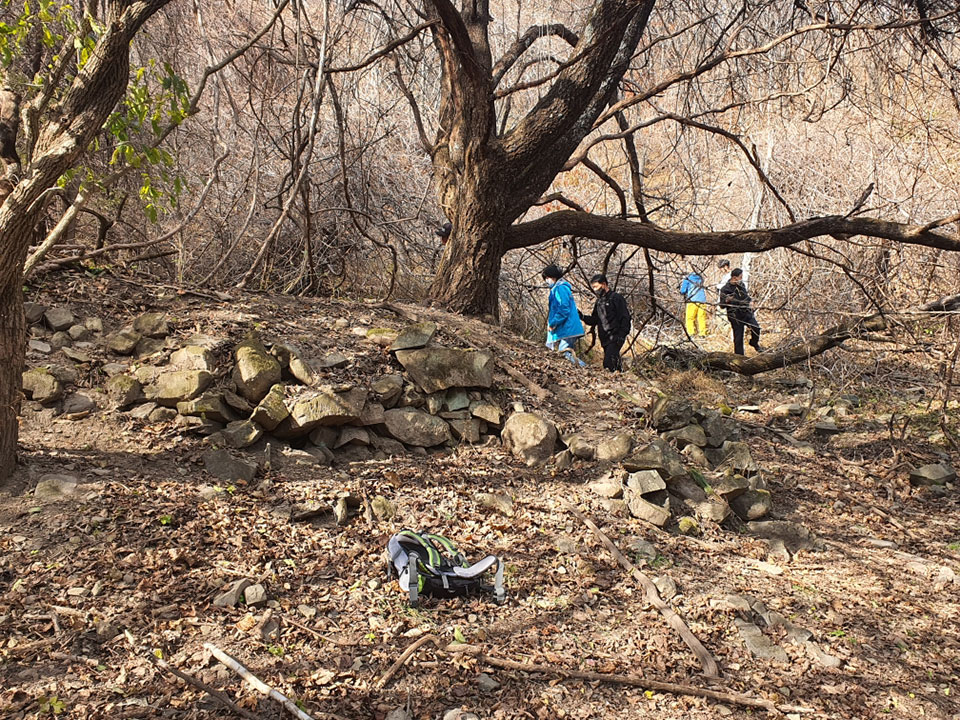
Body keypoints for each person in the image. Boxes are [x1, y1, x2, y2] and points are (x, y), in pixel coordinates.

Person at [579, 273, 631, 371]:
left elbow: (625, 317)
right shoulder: (599, 302)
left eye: (596, 286)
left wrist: (622, 334)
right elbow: (594, 319)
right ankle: (621, 380)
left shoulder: (616, 298)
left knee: (608, 364)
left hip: (615, 337)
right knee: (614, 364)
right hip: (604, 338)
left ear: (603, 284)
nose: (595, 290)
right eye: (593, 287)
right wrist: (582, 316)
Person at [541, 265, 586, 367]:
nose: (547, 281)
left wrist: (553, 323)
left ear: (553, 277)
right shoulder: (559, 288)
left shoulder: (560, 288)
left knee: (564, 353)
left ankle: (585, 368)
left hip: (569, 328)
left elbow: (563, 308)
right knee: (565, 352)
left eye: (547, 278)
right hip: (567, 328)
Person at [719, 268, 764, 355]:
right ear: (734, 277)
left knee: (756, 328)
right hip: (735, 316)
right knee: (738, 338)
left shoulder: (741, 285)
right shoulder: (725, 289)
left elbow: (746, 297)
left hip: (746, 312)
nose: (741, 279)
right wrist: (727, 300)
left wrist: (751, 301)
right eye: (740, 277)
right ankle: (740, 357)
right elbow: (722, 305)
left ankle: (754, 343)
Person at [679, 267, 708, 337]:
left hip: (692, 300)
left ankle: (691, 333)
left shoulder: (687, 279)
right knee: (701, 317)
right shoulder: (700, 278)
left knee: (690, 317)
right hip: (702, 300)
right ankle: (703, 333)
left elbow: (682, 291)